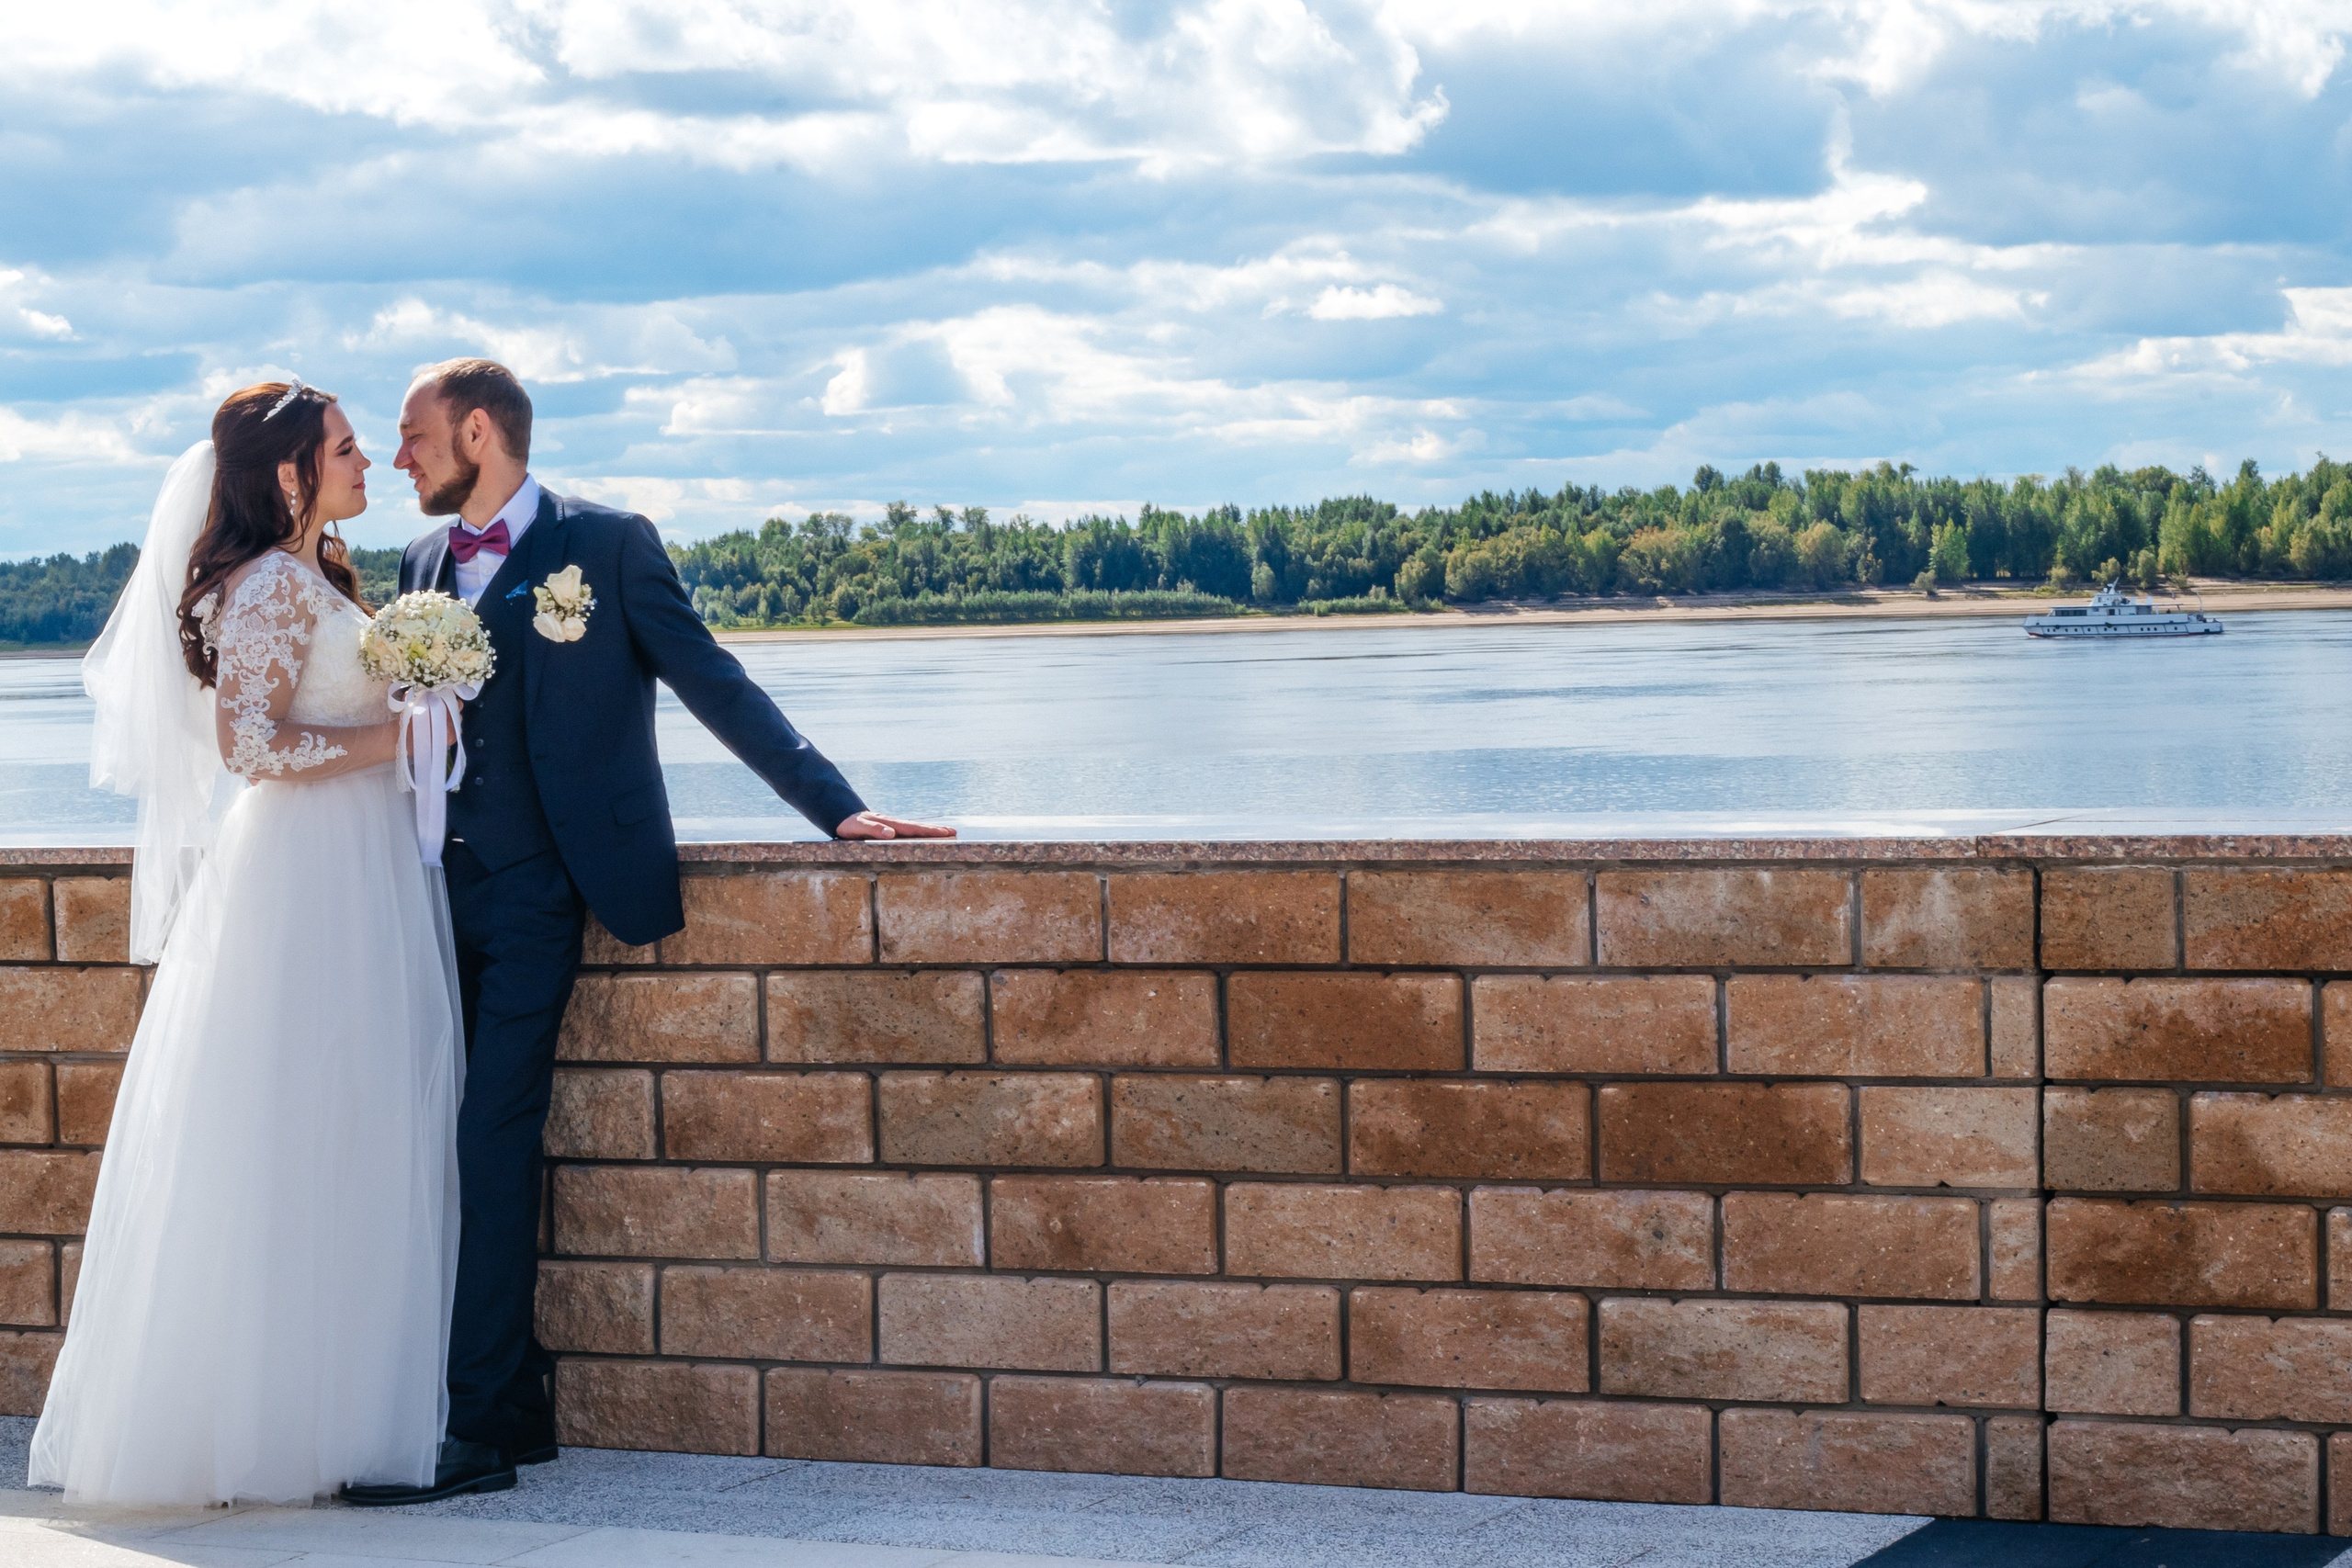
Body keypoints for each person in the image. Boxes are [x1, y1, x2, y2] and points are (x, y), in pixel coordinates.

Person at [339, 358, 952, 1506]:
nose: (401, 456)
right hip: (428, 888)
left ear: (480, 430)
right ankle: (516, 1405)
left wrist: (835, 807)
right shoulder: (422, 564)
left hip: (541, 894)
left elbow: (710, 677)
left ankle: (472, 1431)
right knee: (438, 1139)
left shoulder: (609, 544)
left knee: (490, 1139)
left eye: (415, 434)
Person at [30, 382, 463, 1504]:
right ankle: (261, 1428)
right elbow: (251, 747)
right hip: (303, 879)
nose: (370, 464)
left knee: (350, 1127)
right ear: (289, 473)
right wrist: (396, 741)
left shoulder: (316, 576)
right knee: (287, 1126)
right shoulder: (270, 585)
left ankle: (338, 1415)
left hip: (356, 868)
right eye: (348, 449)